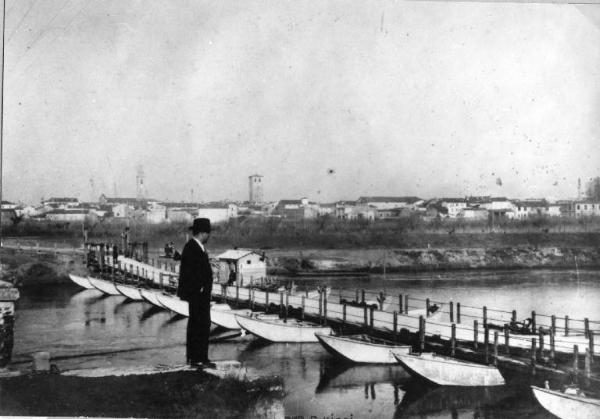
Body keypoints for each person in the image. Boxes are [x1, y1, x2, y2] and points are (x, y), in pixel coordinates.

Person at [176, 218, 215, 368]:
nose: (209, 236)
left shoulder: (195, 247)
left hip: (200, 295)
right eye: (208, 233)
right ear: (203, 233)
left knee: (201, 324)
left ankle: (198, 357)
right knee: (199, 325)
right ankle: (198, 358)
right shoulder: (192, 248)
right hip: (197, 295)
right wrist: (199, 288)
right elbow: (190, 272)